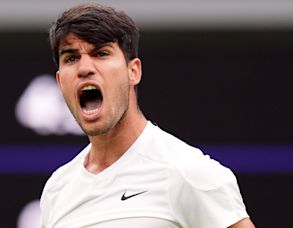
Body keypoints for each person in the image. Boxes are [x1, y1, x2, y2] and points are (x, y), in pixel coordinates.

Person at [40, 3, 255, 228]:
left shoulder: (187, 172)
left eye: (101, 53)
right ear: (59, 81)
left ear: (133, 72)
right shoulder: (57, 189)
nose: (84, 68)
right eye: (71, 58)